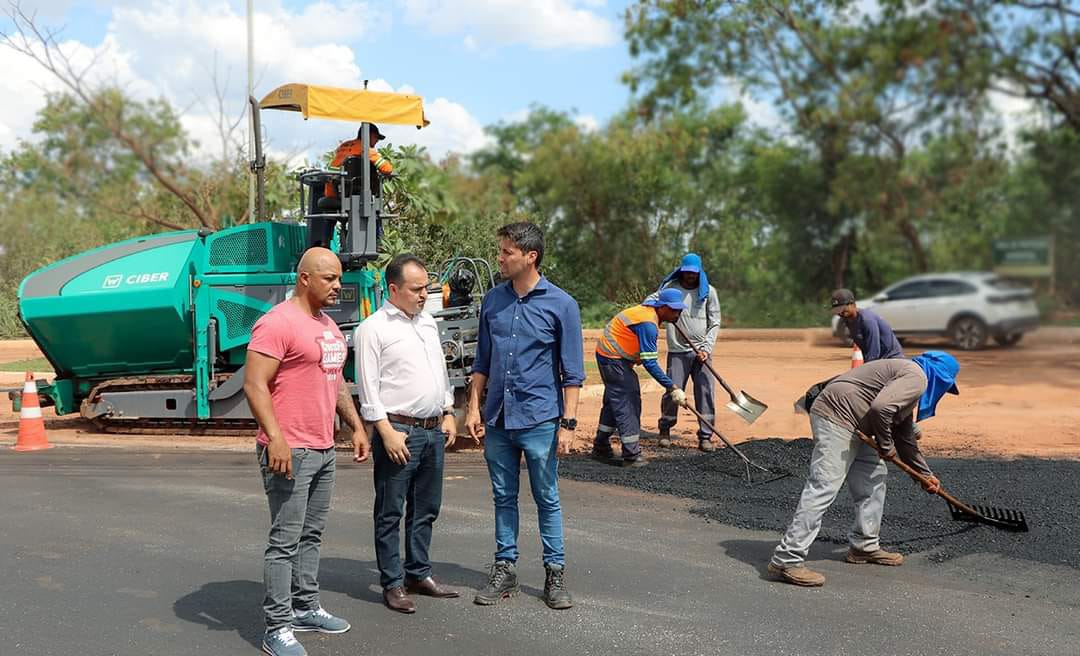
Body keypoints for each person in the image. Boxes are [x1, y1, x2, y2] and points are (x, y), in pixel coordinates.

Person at [244, 247, 369, 656]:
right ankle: (276, 627)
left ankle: (305, 605)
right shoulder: (276, 323)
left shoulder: (328, 325)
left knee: (311, 535)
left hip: (324, 446)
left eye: (338, 278)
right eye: (329, 278)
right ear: (305, 279)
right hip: (290, 449)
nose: (338, 285)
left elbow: (336, 382)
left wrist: (356, 427)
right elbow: (255, 385)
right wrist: (275, 437)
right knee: (285, 540)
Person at [465, 221, 585, 610]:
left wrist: (567, 425)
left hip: (539, 419)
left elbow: (573, 373)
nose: (500, 258)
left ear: (530, 256)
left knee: (546, 497)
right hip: (498, 418)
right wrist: (473, 407)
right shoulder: (493, 301)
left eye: (506, 252)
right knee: (503, 496)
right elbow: (482, 360)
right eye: (500, 251)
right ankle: (506, 569)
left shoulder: (562, 305)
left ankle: (555, 574)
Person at [768, 351, 960, 587]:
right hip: (837, 416)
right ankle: (786, 559)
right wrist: (887, 446)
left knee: (874, 480)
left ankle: (864, 546)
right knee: (824, 486)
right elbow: (881, 409)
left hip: (857, 423)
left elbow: (905, 436)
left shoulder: (906, 375)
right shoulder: (917, 376)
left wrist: (924, 475)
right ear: (942, 376)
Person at [356, 253, 460, 614]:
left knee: (427, 508)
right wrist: (384, 431)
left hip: (433, 431)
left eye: (426, 287)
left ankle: (418, 572)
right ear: (394, 289)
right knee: (390, 510)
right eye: (417, 289)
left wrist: (448, 410)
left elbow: (439, 372)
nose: (423, 294)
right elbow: (368, 388)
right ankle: (393, 582)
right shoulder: (373, 329)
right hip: (399, 431)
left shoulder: (427, 323)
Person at [592, 288, 688, 467]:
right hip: (613, 359)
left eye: (680, 310)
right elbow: (650, 363)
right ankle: (632, 454)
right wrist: (672, 387)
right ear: (662, 308)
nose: (678, 313)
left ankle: (601, 446)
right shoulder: (648, 324)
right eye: (674, 310)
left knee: (615, 401)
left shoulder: (650, 313)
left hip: (610, 356)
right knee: (628, 400)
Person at [651, 253, 722, 451]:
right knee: (672, 391)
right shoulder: (671, 289)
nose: (690, 276)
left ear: (699, 273)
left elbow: (714, 322)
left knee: (705, 392)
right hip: (677, 351)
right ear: (681, 271)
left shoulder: (709, 292)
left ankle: (705, 436)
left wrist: (706, 349)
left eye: (694, 273)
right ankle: (665, 429)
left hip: (702, 353)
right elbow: (652, 303)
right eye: (687, 272)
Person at [322, 123, 394, 201]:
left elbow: (332, 170)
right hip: (358, 196)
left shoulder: (343, 146)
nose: (377, 141)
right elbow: (387, 169)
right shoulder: (365, 148)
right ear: (368, 135)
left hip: (335, 194)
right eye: (376, 137)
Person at [830, 289, 903, 362]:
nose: (840, 313)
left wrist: (866, 368)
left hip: (891, 360)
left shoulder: (867, 320)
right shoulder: (847, 319)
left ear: (852, 304)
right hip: (879, 360)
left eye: (842, 309)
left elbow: (874, 353)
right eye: (838, 311)